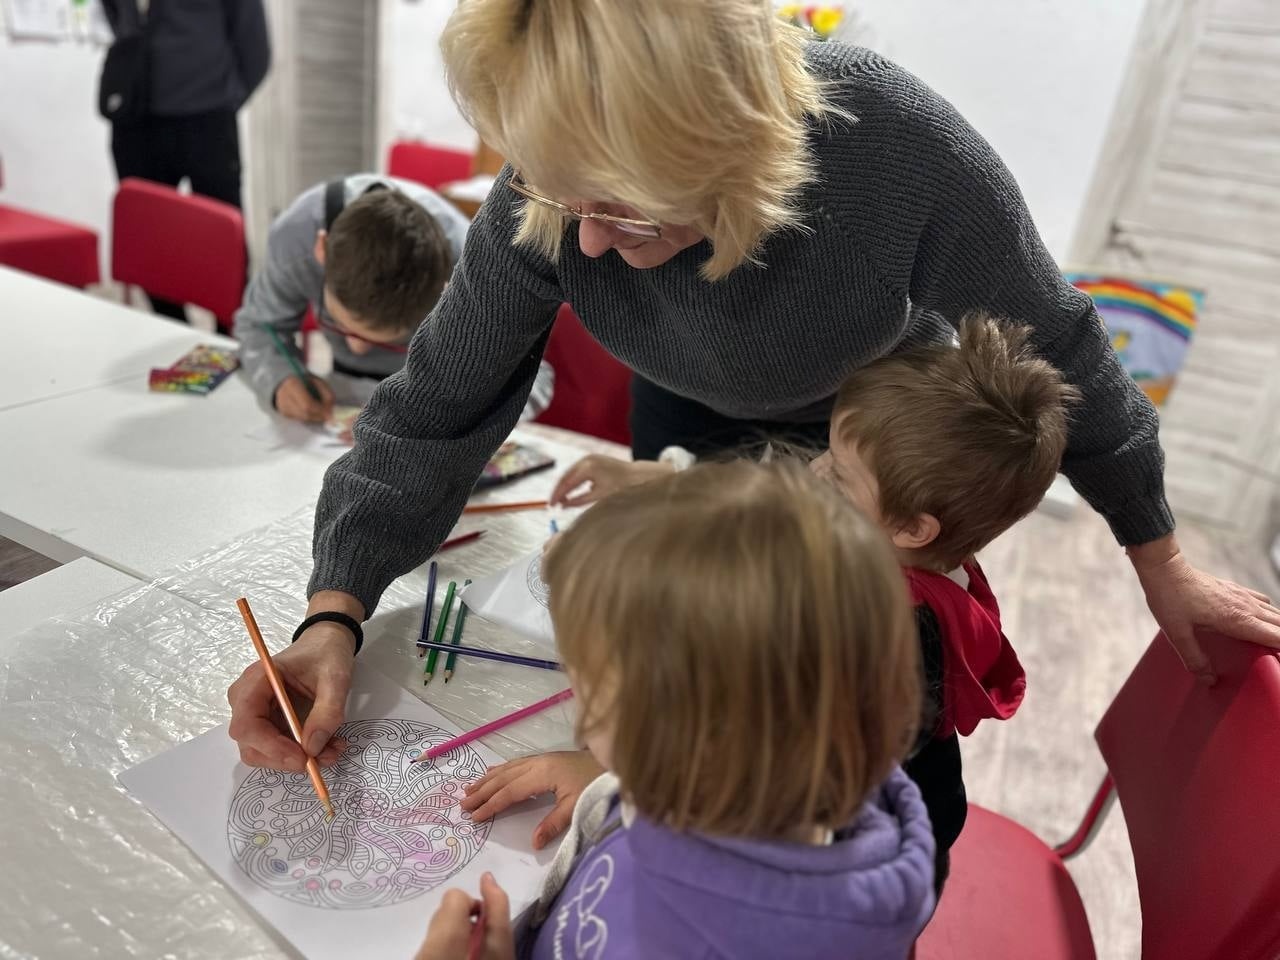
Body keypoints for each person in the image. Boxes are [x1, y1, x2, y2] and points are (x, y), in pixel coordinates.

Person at [226, 1, 1280, 789]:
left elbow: (1061, 345)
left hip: (865, 434)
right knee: (676, 678)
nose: (585, 244)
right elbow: (437, 404)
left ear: (737, 155)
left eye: (624, 214)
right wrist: (336, 609)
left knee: (855, 739)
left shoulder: (900, 151)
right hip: (683, 422)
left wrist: (1157, 554)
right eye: (561, 200)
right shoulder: (554, 190)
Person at [509, 315, 1075, 888]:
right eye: (827, 449)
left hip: (843, 881)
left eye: (839, 475)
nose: (814, 469)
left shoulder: (875, 637)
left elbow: (734, 749)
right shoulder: (902, 552)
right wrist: (665, 476)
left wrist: (609, 769)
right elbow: (777, 483)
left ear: (913, 528)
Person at [416, 460, 936, 959]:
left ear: (679, 737)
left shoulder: (697, 942)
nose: (578, 713)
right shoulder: (785, 764)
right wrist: (608, 785)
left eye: (587, 684)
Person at [233, 173, 553, 424]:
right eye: (344, 327)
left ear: (444, 290)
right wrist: (279, 379)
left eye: (389, 338)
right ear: (321, 250)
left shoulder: (478, 268)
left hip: (431, 398)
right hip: (340, 395)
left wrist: (441, 420)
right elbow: (258, 325)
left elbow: (534, 378)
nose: (357, 350)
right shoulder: (297, 234)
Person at [101, 0, 270, 322]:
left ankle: (232, 337)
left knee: (225, 243)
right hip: (134, 115)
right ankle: (173, 330)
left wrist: (225, 99)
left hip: (207, 118)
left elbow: (255, 49)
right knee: (147, 240)